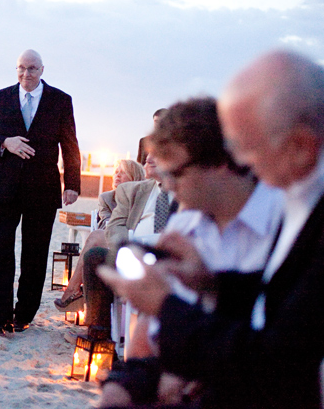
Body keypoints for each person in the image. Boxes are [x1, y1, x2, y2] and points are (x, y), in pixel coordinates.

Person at [98, 51, 324, 409]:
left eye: (246, 149)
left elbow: (283, 360)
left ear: (299, 144)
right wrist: (213, 285)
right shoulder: (315, 183)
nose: (244, 164)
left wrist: (166, 306)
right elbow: (285, 304)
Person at [98, 97, 284, 407]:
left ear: (220, 163)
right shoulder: (184, 227)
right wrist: (125, 384)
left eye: (176, 174)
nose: (168, 187)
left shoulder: (286, 224)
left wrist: (166, 305)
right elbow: (152, 343)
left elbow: (277, 352)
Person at [0, 49, 81, 336]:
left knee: (35, 255)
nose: (26, 74)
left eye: (32, 68)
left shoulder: (60, 101)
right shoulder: (0, 98)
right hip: (3, 188)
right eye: (21, 68)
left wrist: (72, 184)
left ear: (42, 70)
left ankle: (23, 315)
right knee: (2, 253)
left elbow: (70, 145)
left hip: (43, 188)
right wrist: (5, 142)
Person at [54, 158, 144, 313]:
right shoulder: (107, 198)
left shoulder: (143, 199)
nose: (117, 175)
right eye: (116, 172)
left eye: (123, 173)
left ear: (134, 177)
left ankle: (72, 290)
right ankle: (73, 289)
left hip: (135, 244)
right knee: (96, 236)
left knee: (95, 236)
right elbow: (107, 225)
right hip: (111, 241)